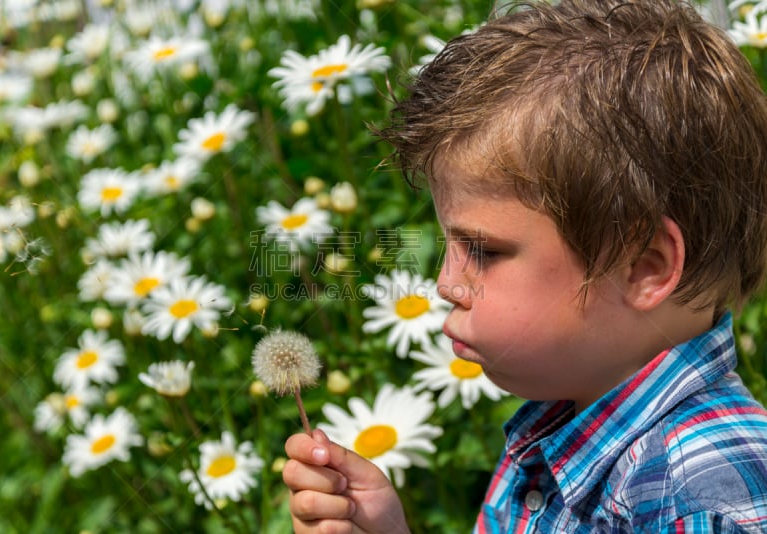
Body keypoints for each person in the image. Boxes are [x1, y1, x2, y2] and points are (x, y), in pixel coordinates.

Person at [282, 0, 767, 531]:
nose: (445, 284)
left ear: (644, 266)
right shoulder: (561, 426)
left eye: (483, 251)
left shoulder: (699, 496)